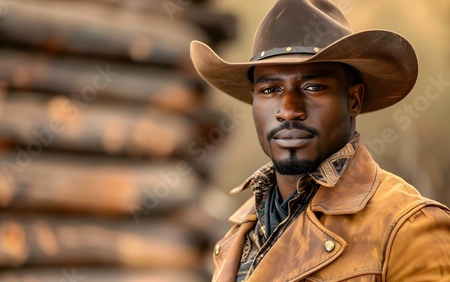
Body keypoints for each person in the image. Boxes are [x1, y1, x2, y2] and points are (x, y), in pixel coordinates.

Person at [190, 0, 450, 281]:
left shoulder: (407, 225)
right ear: (253, 100)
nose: (289, 110)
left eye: (313, 87)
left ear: (354, 99)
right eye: (270, 89)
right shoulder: (240, 230)